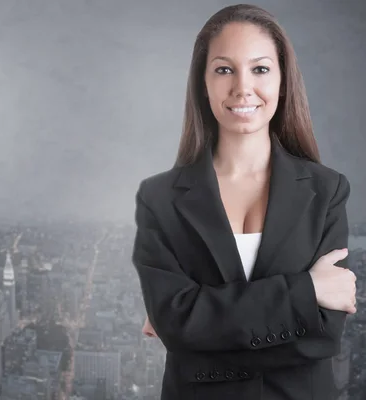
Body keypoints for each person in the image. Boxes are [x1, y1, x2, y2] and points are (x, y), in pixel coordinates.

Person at [131, 4, 357, 400]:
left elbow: (322, 338)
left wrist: (200, 335)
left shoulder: (326, 191)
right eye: (223, 69)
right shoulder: (159, 199)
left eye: (260, 69)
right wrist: (305, 292)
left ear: (283, 81)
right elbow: (175, 322)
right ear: (203, 82)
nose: (242, 87)